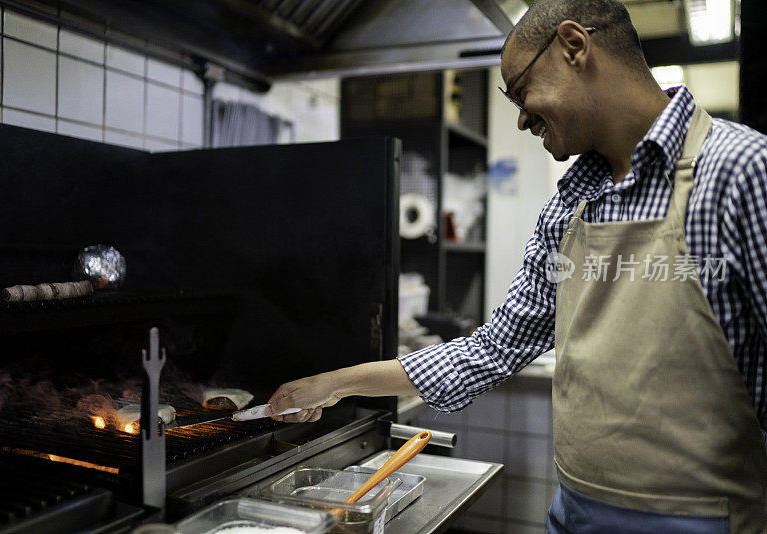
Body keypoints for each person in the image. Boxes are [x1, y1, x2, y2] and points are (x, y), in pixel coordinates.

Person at [267, 0, 767, 530]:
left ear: (575, 47)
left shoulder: (739, 172)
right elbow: (495, 347)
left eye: (521, 90)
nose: (523, 118)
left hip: (703, 521)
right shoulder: (570, 205)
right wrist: (335, 383)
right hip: (573, 513)